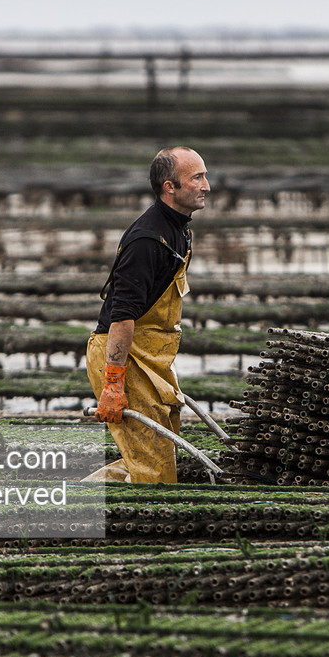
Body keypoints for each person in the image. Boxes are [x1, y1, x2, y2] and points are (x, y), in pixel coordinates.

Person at [85, 146, 210, 482]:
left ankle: (75, 499)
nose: (206, 186)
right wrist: (113, 383)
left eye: (204, 176)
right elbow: (121, 317)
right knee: (154, 467)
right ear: (170, 187)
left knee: (153, 451)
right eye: (197, 177)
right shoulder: (147, 241)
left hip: (151, 357)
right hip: (122, 355)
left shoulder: (179, 230)